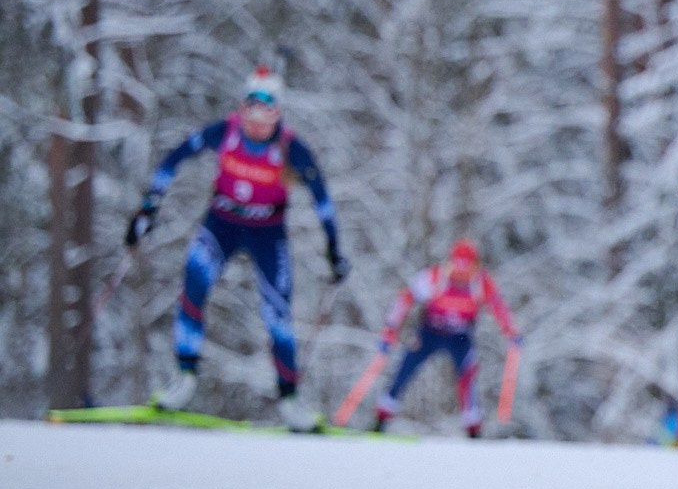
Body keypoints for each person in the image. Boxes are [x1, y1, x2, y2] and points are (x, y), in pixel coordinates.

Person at [124, 66, 346, 431]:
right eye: (251, 114)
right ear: (241, 110)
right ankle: (184, 376)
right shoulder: (224, 132)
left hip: (267, 232)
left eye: (267, 116)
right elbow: (173, 159)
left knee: (278, 313)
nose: (257, 125)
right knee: (194, 281)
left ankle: (290, 399)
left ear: (278, 114)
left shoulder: (291, 148)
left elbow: (322, 199)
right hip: (222, 224)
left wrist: (334, 249)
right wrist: (148, 208)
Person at [370, 238, 519, 436]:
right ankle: (381, 420)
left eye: (466, 268)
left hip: (460, 336)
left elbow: (498, 307)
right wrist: (390, 329)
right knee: (405, 369)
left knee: (468, 376)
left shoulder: (480, 283)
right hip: (431, 331)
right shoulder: (434, 277)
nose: (460, 273)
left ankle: (473, 430)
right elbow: (405, 297)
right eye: (457, 266)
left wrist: (512, 332)